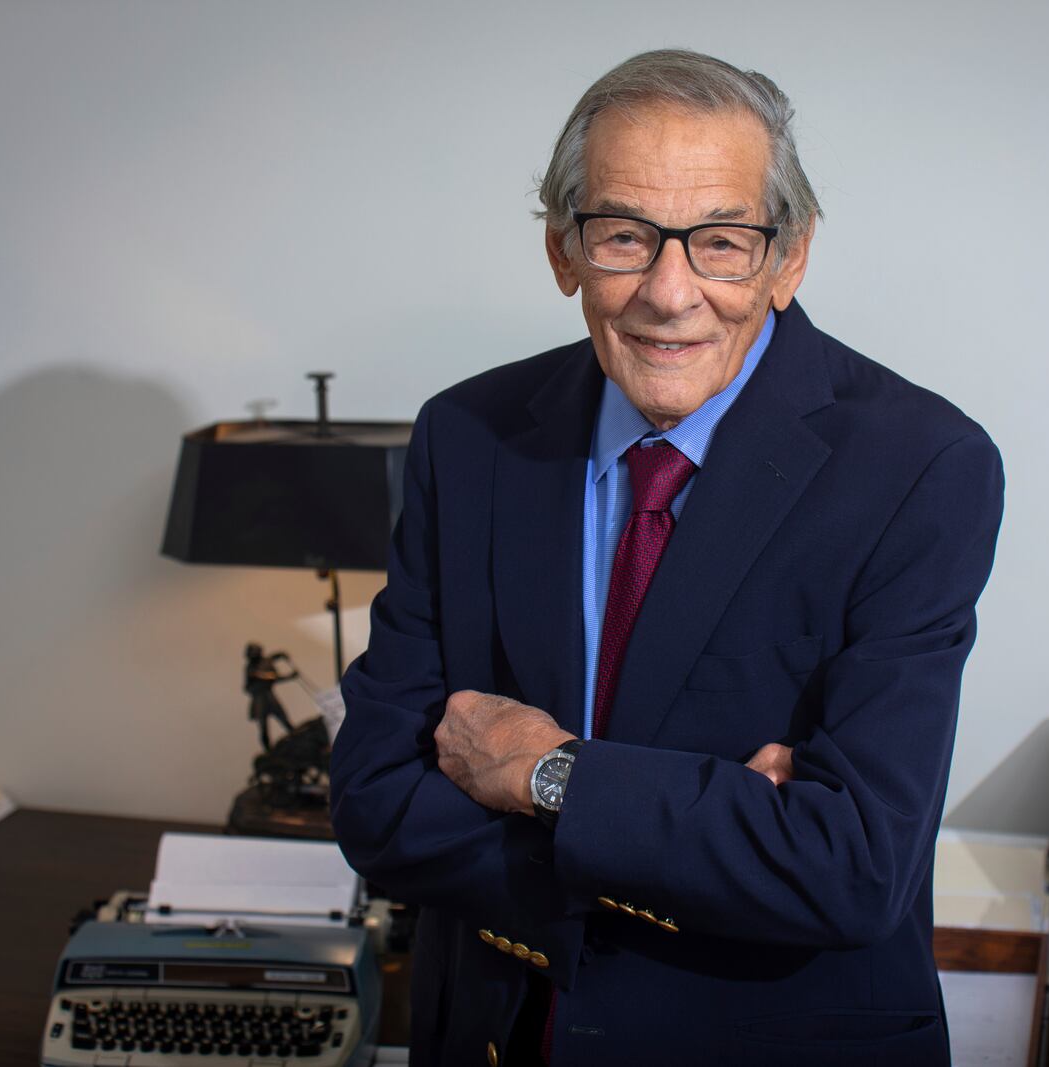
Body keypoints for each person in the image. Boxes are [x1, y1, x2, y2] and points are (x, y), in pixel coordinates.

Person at [330, 49, 1004, 1067]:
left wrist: (545, 775)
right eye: (624, 236)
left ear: (789, 257)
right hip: (494, 1033)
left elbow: (850, 865)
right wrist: (710, 828)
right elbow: (377, 799)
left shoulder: (922, 466)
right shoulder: (467, 435)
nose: (669, 291)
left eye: (722, 242)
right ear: (563, 249)